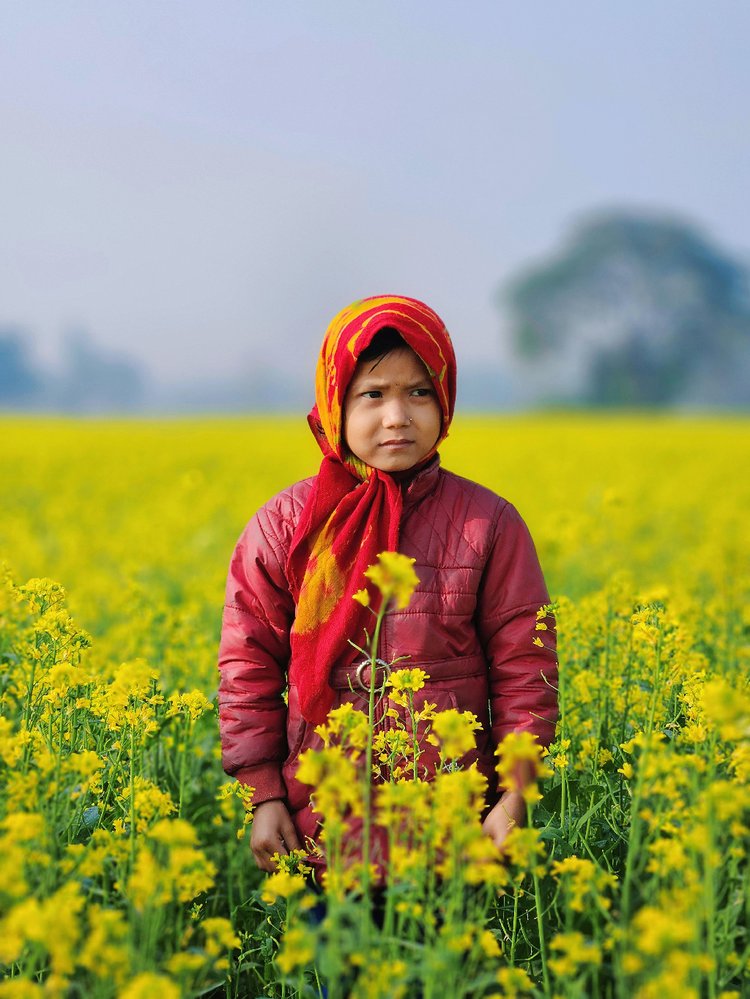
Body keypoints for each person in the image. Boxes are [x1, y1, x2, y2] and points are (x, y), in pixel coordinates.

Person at [217, 294, 558, 875]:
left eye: (419, 392)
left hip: (454, 826)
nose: (397, 416)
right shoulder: (287, 527)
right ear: (334, 404)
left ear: (445, 401)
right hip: (322, 820)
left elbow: (526, 666)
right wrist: (263, 794)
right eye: (372, 394)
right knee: (331, 963)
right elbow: (247, 665)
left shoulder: (488, 523)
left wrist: (516, 792)